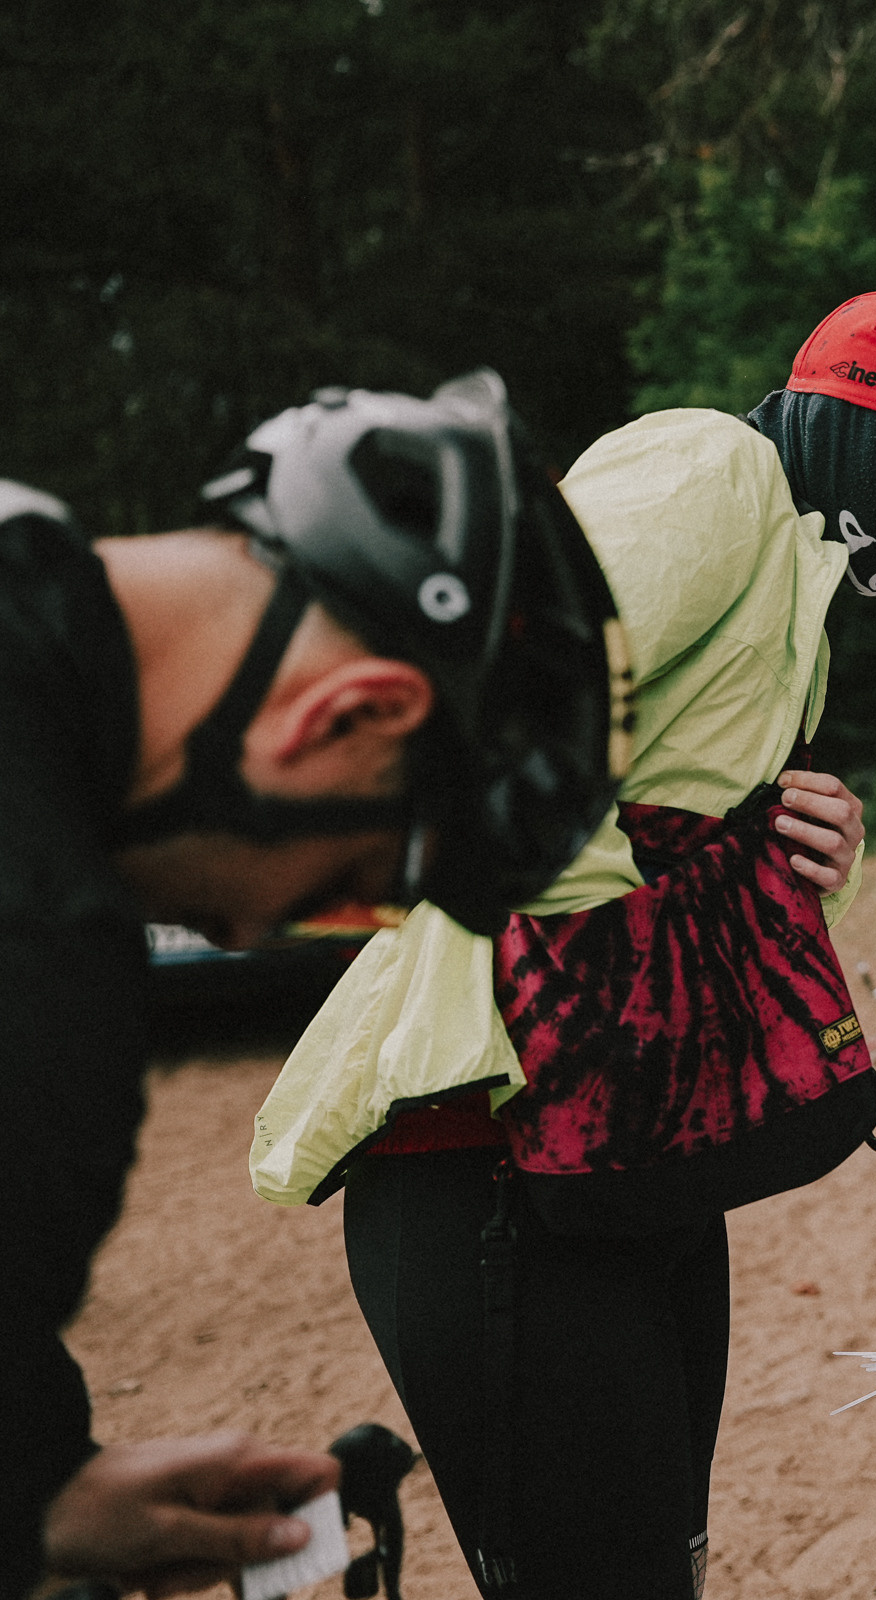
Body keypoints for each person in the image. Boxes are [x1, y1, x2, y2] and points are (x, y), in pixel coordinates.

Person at [250, 290, 876, 1598]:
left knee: (649, 1568)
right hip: (485, 1156)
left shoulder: (791, 577)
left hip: (630, 1154)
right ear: (846, 425)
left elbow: (651, 826)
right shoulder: (712, 466)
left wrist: (784, 841)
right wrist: (689, 838)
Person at [1, 371, 627, 1598]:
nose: (248, 924)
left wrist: (38, 1489)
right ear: (353, 710)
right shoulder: (45, 974)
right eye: (351, 883)